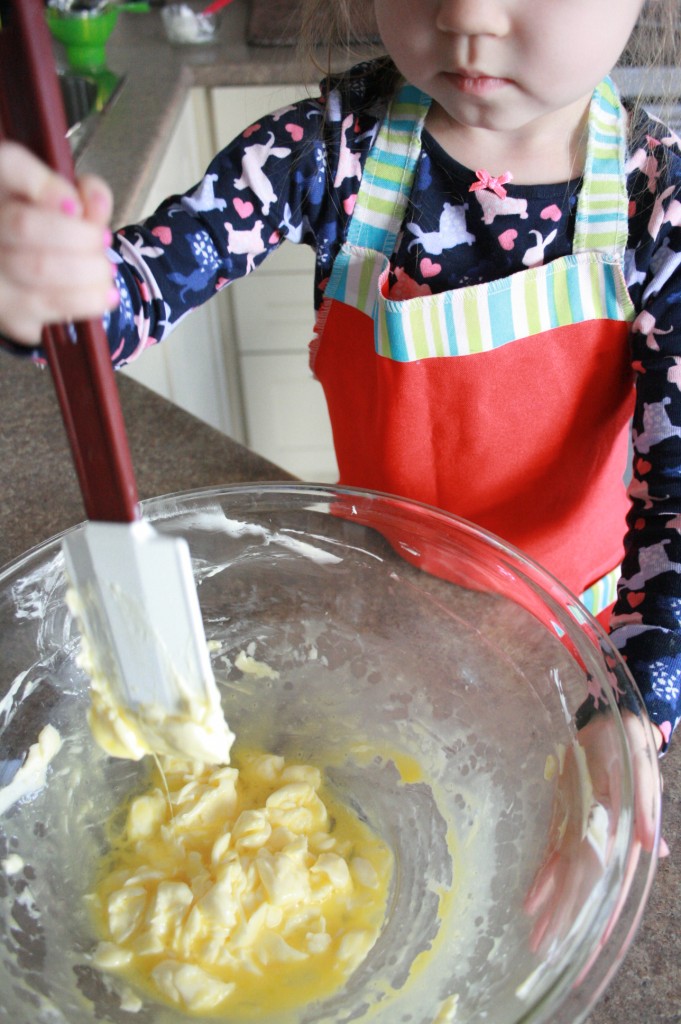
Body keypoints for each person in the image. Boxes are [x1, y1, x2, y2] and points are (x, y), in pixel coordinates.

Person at [0, 1, 678, 856]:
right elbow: (136, 289)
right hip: (374, 600)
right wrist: (53, 288)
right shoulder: (330, 147)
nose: (465, 12)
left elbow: (675, 513)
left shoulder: (659, 212)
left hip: (564, 644)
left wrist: (628, 714)